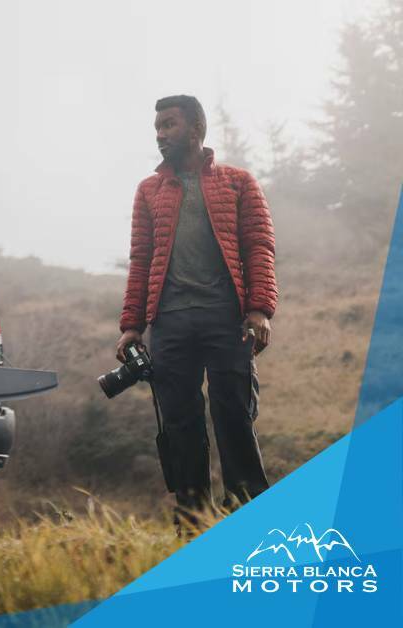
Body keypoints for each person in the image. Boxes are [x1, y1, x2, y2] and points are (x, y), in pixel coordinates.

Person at [115, 95, 277, 517]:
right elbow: (141, 257)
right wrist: (131, 325)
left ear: (195, 129)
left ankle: (247, 513)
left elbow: (258, 246)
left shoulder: (238, 182)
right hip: (169, 322)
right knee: (180, 425)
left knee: (235, 416)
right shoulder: (148, 191)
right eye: (157, 127)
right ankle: (192, 519)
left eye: (169, 124)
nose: (160, 134)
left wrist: (259, 309)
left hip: (227, 319)